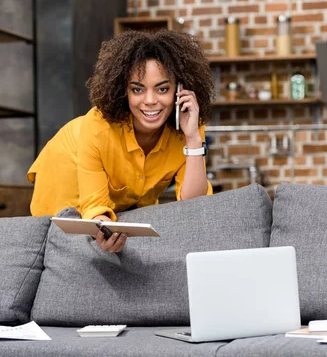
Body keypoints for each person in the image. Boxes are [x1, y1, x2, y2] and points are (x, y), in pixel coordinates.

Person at [27, 29, 215, 253]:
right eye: (137, 89)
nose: (150, 101)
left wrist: (192, 137)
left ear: (180, 90)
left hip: (119, 203)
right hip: (65, 176)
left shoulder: (189, 125)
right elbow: (94, 206)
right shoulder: (97, 127)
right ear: (123, 91)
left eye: (162, 89)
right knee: (70, 250)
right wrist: (103, 227)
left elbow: (194, 206)